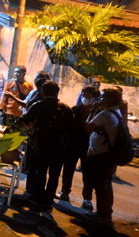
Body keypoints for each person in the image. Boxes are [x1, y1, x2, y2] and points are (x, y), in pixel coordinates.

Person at [8, 80, 74, 211]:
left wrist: (8, 132)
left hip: (42, 145)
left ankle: (38, 198)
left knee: (41, 171)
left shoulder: (38, 105)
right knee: (54, 175)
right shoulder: (65, 108)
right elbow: (72, 129)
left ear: (43, 91)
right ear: (57, 92)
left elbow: (23, 121)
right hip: (59, 148)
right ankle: (48, 202)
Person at [82, 87, 122, 225]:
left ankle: (103, 215)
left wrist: (93, 109)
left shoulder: (105, 114)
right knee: (104, 185)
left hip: (100, 155)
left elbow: (87, 127)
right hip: (107, 154)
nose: (100, 99)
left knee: (101, 185)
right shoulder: (115, 112)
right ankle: (104, 213)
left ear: (110, 99)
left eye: (103, 96)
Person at [59, 86, 97, 203]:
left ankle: (87, 198)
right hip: (73, 144)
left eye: (88, 96)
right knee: (68, 169)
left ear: (94, 97)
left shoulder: (98, 112)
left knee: (88, 173)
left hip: (89, 146)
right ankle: (65, 192)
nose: (85, 98)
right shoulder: (75, 110)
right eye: (83, 95)